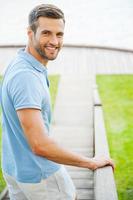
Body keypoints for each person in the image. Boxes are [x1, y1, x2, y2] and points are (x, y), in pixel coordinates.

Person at [1, 4, 115, 200]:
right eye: (46, 33)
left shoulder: (22, 62)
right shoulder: (26, 77)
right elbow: (40, 145)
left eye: (59, 34)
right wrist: (90, 162)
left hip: (16, 169)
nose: (54, 41)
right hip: (40, 175)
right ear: (30, 33)